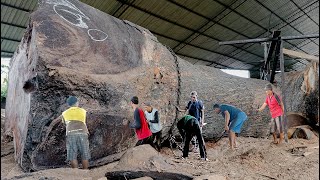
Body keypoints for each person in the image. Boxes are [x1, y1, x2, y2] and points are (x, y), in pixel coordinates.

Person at [61, 96, 90, 169]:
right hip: (82, 132)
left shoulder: (64, 113)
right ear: (77, 103)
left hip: (71, 133)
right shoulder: (83, 111)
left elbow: (64, 123)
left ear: (68, 104)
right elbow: (86, 120)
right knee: (85, 153)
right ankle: (86, 171)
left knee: (72, 155)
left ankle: (75, 172)